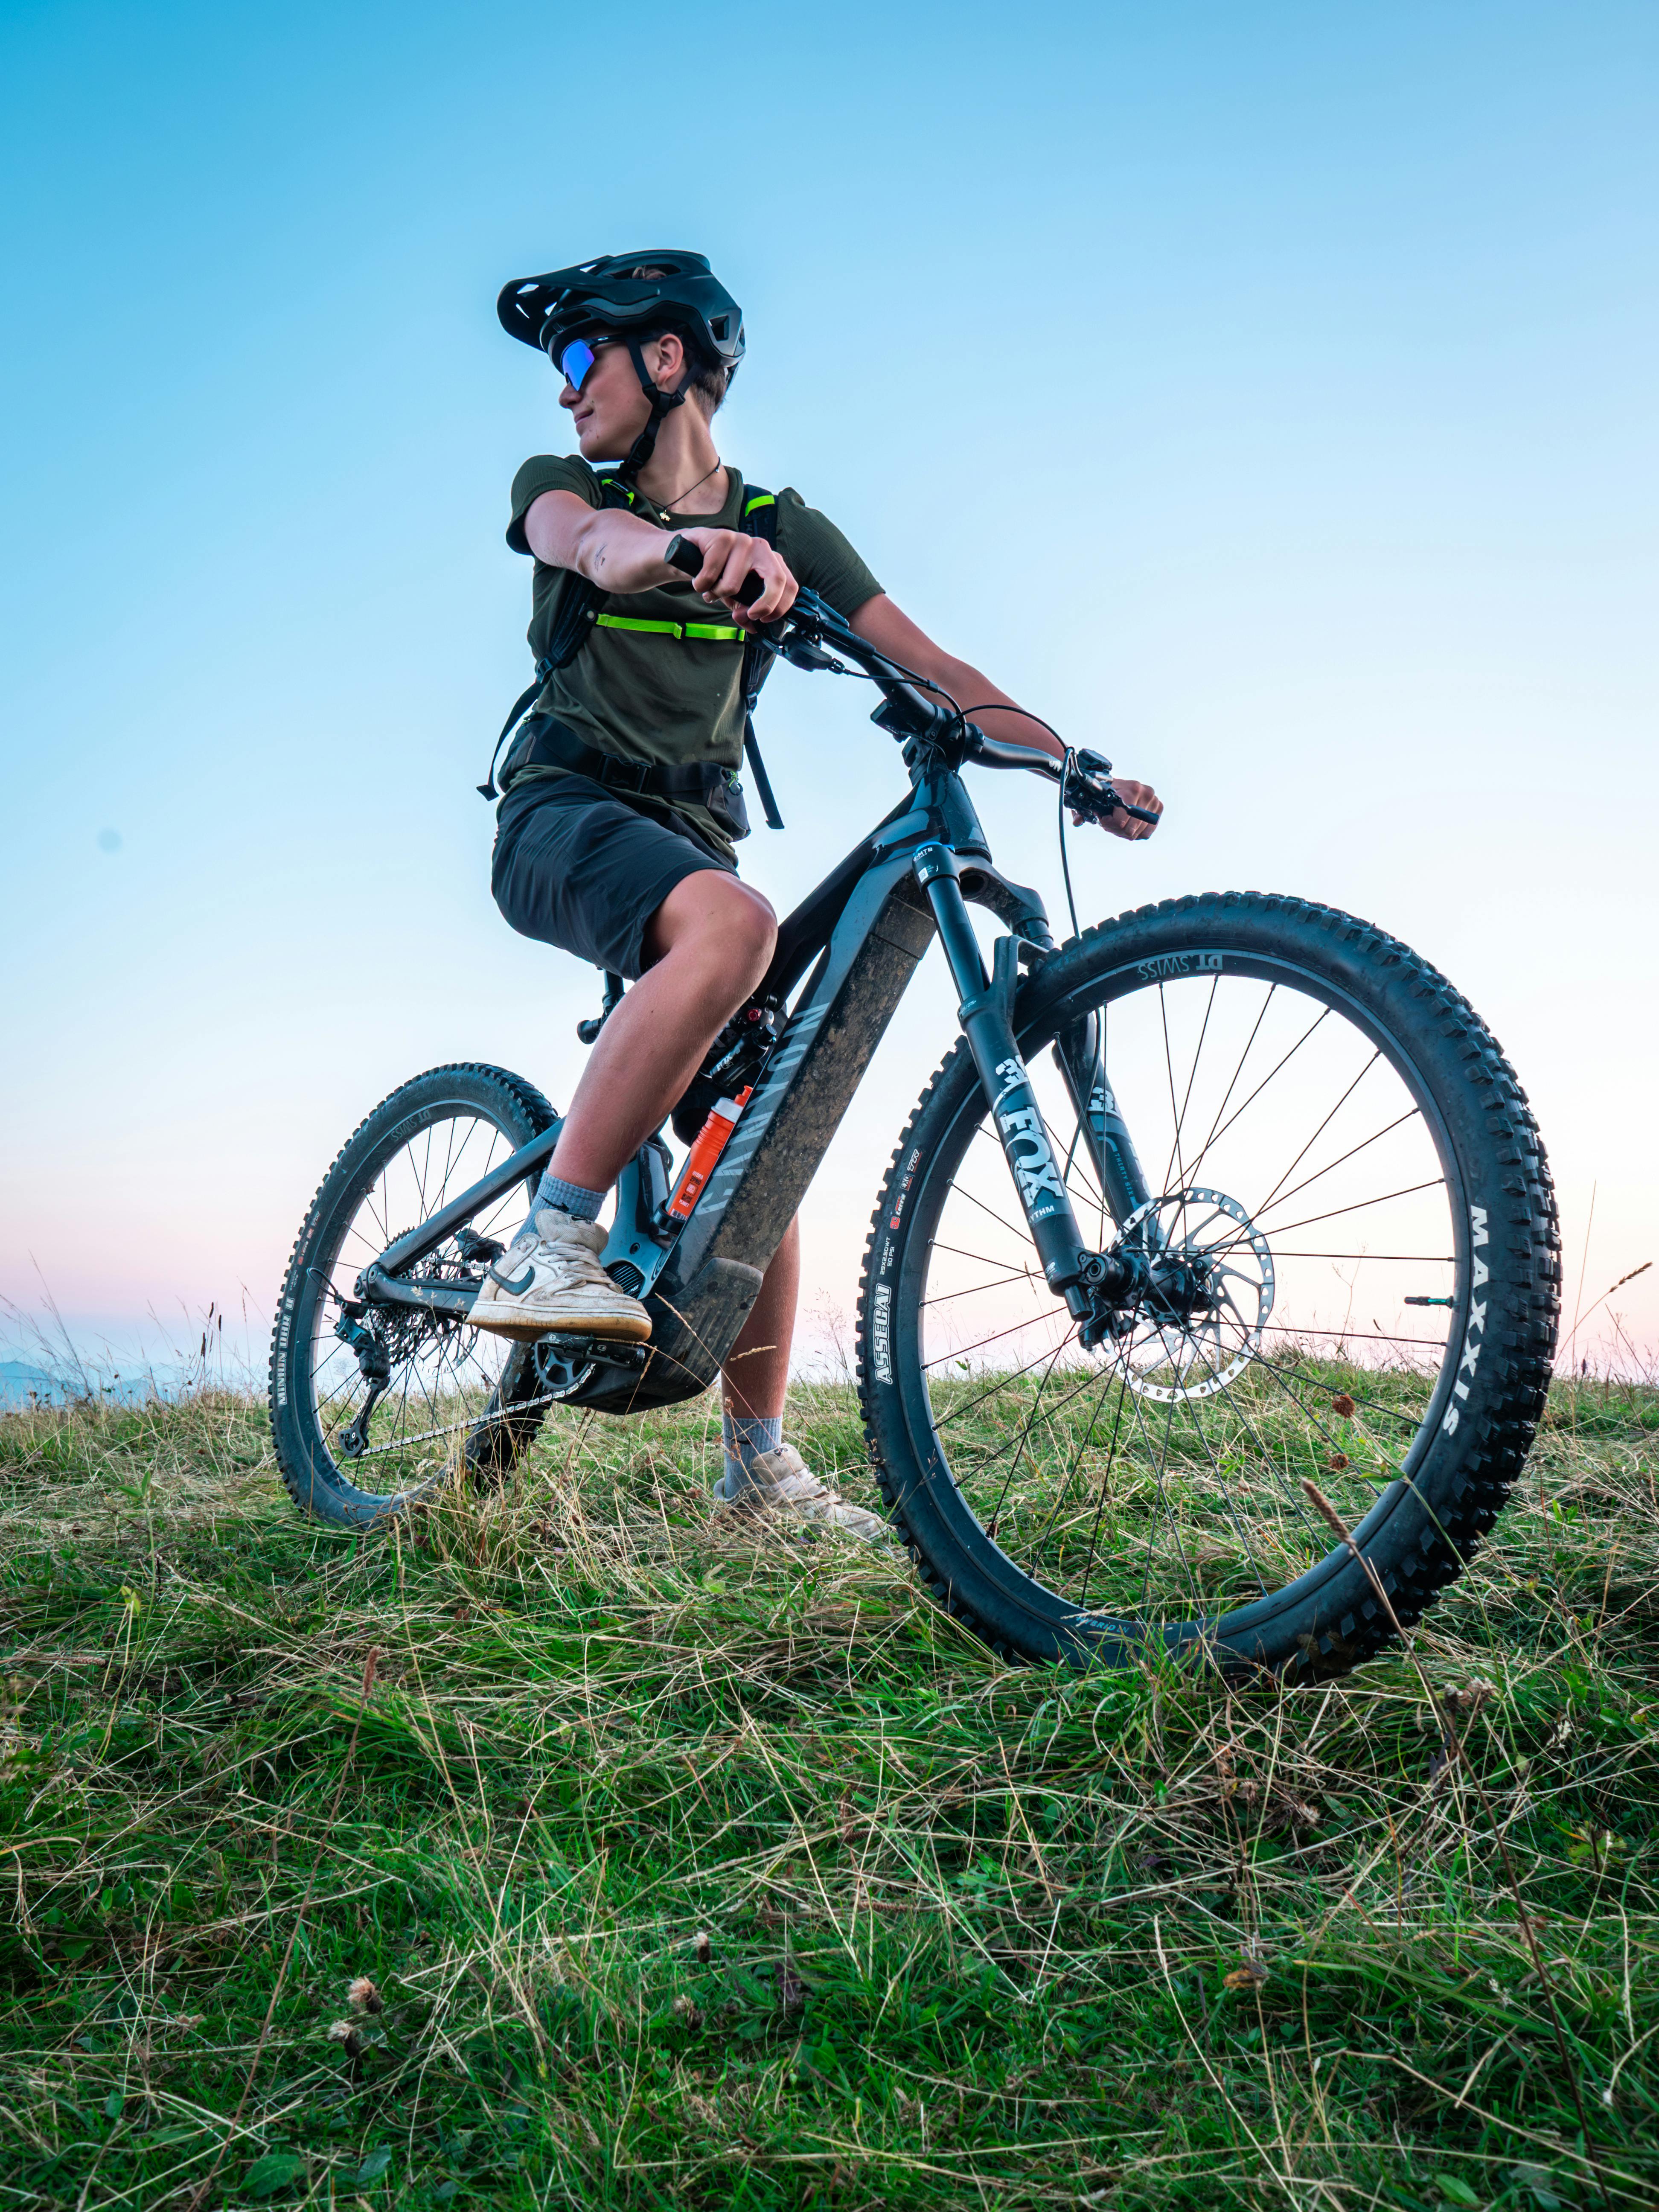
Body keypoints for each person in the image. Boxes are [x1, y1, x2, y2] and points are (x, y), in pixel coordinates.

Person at [471, 251, 1161, 1535]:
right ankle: (551, 1240)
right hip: (561, 816)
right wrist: (690, 551)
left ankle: (755, 1471)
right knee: (732, 929)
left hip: (690, 847)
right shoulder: (565, 488)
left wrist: (1070, 764)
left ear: (663, 357)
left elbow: (932, 661)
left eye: (581, 362)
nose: (565, 394)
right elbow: (601, 549)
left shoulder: (789, 528)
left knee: (766, 1111)